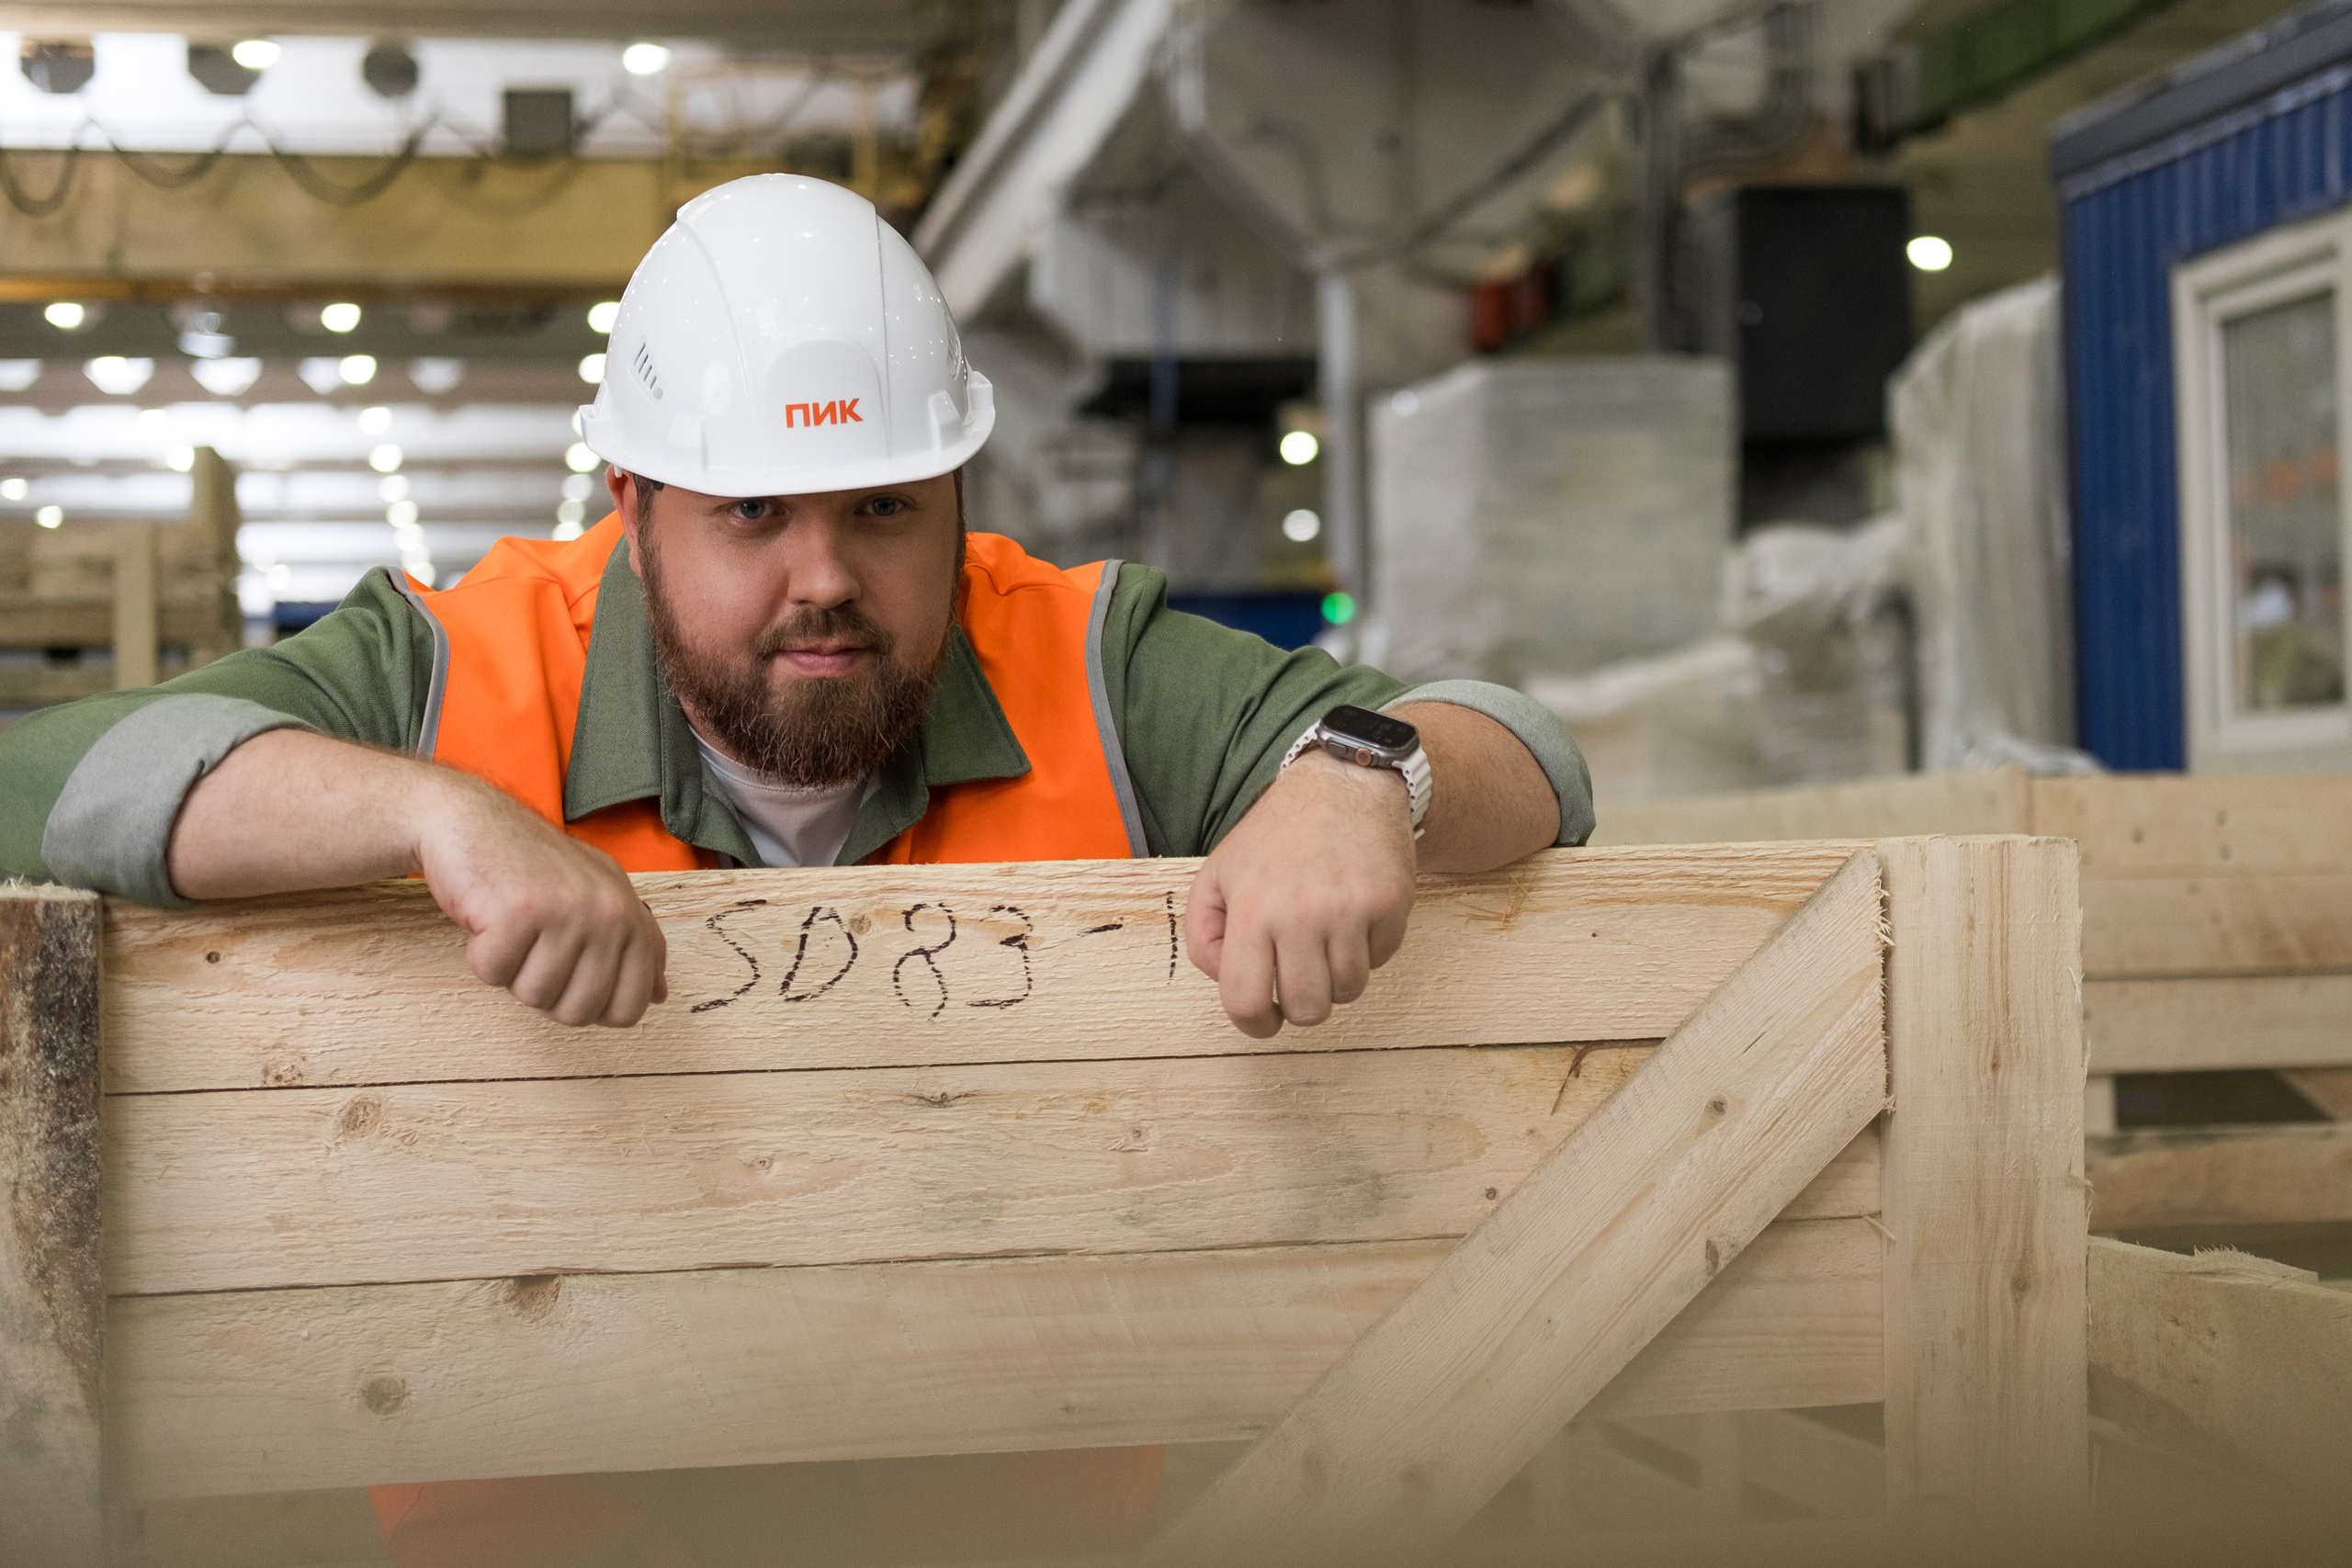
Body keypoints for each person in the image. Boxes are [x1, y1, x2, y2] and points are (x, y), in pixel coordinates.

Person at [0, 175, 1590, 1567]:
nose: (823, 577)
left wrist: (1363, 774)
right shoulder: (452, 670)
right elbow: (36, 780)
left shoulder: (1091, 663)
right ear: (634, 511)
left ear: (963, 500)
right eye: (753, 512)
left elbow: (1535, 755)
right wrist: (424, 814)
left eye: (885, 509)